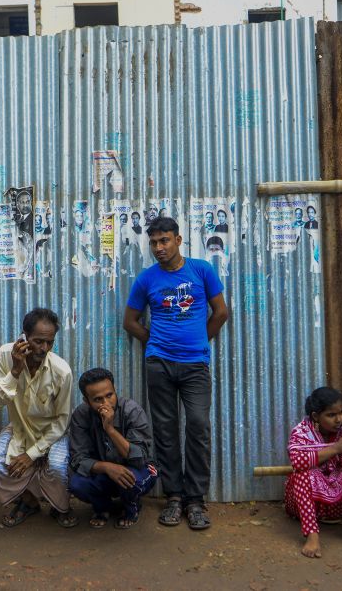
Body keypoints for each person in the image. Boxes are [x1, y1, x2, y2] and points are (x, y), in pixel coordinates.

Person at [123, 217, 230, 530]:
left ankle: (195, 499)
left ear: (178, 240)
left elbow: (221, 312)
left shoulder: (201, 270)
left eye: (165, 241)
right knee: (166, 430)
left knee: (198, 425)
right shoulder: (146, 279)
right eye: (154, 242)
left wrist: (198, 340)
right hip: (159, 364)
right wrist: (154, 343)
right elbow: (130, 321)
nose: (159, 248)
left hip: (196, 364)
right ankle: (174, 496)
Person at [0, 308, 78, 528]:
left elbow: (62, 421)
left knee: (56, 465)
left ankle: (60, 506)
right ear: (24, 336)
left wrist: (33, 454)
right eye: (38, 341)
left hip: (52, 433)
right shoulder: (4, 357)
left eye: (49, 342)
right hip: (19, 429)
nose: (44, 348)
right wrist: (15, 372)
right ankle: (28, 502)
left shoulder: (61, 371)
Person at [285, 387, 342, 558]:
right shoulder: (301, 432)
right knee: (302, 474)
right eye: (331, 415)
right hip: (303, 506)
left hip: (335, 507)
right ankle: (312, 536)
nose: (339, 419)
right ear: (315, 417)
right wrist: (336, 448)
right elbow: (298, 463)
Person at [68, 368, 157, 530]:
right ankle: (103, 508)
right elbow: (77, 459)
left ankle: (131, 508)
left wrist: (110, 429)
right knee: (77, 483)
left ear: (115, 391)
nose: (106, 403)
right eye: (98, 399)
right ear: (87, 401)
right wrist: (107, 467)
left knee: (132, 480)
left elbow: (139, 458)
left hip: (137, 469)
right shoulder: (81, 415)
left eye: (110, 395)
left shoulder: (132, 411)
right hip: (104, 472)